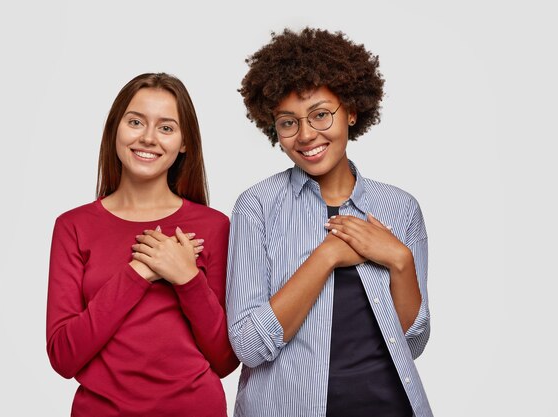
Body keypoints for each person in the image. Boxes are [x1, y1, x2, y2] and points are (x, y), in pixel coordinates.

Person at [226, 28, 432, 417]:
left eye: (321, 115)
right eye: (288, 122)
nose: (306, 135)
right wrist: (326, 258)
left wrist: (400, 261)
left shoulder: (400, 208)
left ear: (351, 111)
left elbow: (412, 343)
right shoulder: (257, 207)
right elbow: (250, 345)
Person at [46, 73, 239, 417]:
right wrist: (139, 271)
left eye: (166, 128)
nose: (148, 138)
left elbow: (225, 360)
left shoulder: (214, 226)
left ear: (184, 143)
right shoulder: (73, 227)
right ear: (115, 130)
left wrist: (186, 278)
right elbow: (63, 356)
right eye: (136, 122)